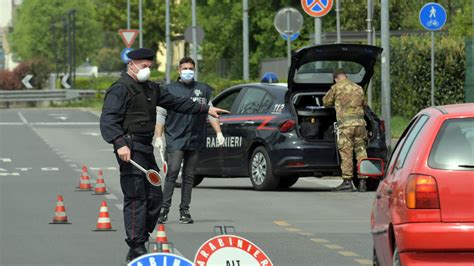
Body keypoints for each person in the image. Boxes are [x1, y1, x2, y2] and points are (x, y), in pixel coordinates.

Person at [99, 48, 228, 262]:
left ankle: (141, 237)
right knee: (136, 195)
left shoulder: (152, 88)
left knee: (155, 196)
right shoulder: (120, 88)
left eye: (150, 66)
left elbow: (178, 102)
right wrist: (120, 143)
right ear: (131, 65)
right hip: (129, 148)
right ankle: (136, 245)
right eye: (143, 66)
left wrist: (205, 109)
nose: (147, 70)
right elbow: (108, 120)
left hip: (145, 148)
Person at [155, 57, 225, 224]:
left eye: (191, 68)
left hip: (195, 137)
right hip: (175, 137)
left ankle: (184, 210)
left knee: (189, 175)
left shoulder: (203, 90)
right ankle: (164, 209)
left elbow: (211, 112)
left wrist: (219, 133)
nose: (188, 71)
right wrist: (158, 136)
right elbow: (161, 114)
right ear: (179, 70)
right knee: (172, 172)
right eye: (185, 68)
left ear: (194, 70)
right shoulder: (169, 90)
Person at [323, 68, 368, 192]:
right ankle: (363, 181)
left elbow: (326, 102)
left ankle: (347, 182)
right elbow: (365, 105)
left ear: (336, 78)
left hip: (346, 126)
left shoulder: (336, 87)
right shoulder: (358, 88)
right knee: (361, 151)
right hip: (360, 125)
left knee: (346, 152)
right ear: (346, 76)